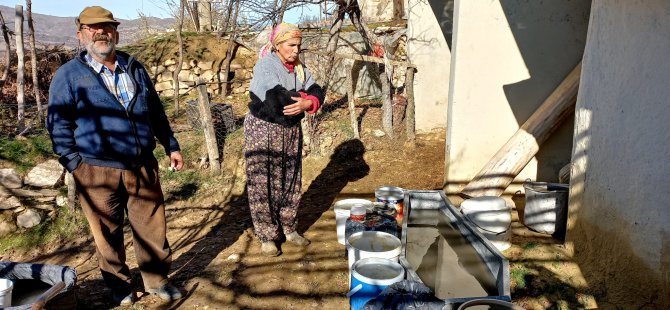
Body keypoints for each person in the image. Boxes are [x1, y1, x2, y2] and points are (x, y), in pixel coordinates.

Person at [47, 6, 183, 305]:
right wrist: (74, 163)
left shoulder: (133, 67)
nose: (101, 33)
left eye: (106, 27)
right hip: (95, 169)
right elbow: (58, 123)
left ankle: (157, 281)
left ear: (116, 32)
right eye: (93, 28)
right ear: (80, 33)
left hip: (141, 164)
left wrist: (170, 144)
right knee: (106, 234)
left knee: (152, 227)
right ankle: (120, 287)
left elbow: (156, 111)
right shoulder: (69, 75)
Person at [245, 23, 325, 256]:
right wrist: (305, 99)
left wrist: (310, 101)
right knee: (263, 182)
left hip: (290, 131)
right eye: (291, 45)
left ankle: (289, 228)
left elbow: (318, 89)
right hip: (263, 130)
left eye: (298, 45)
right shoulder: (265, 66)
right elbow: (278, 100)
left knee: (291, 179)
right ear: (277, 45)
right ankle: (267, 236)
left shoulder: (299, 69)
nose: (296, 50)